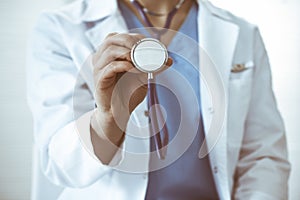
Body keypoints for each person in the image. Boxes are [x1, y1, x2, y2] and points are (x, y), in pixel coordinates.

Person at [27, 0, 290, 199]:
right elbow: (60, 165)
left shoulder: (242, 32)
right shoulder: (61, 28)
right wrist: (108, 118)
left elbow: (263, 155)